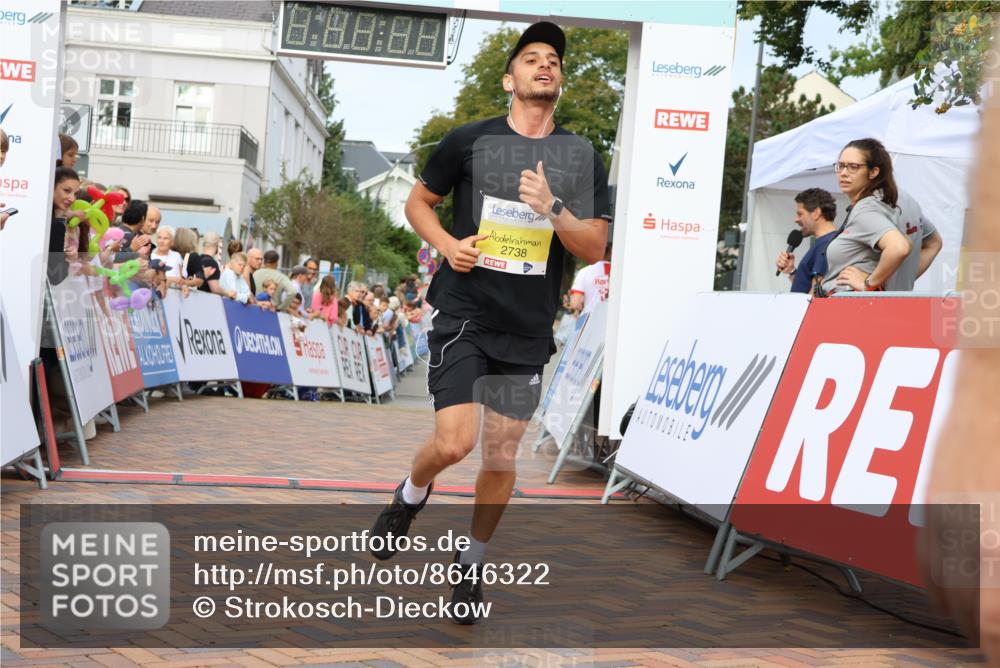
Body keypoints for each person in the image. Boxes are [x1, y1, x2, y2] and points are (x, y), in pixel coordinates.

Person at [368, 21, 610, 624]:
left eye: (553, 60)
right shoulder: (469, 140)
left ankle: (470, 564)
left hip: (526, 329)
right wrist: (448, 245)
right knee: (456, 443)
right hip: (466, 314)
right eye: (531, 58)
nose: (545, 65)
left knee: (500, 460)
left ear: (560, 79)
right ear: (509, 79)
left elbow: (594, 247)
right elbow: (418, 202)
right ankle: (409, 496)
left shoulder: (580, 156)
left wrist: (552, 208)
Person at [819, 138, 910, 295]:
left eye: (853, 167)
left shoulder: (866, 210)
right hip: (855, 300)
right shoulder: (885, 205)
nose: (843, 173)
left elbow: (899, 247)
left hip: (850, 302)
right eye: (841, 166)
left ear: (873, 172)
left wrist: (869, 283)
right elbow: (930, 243)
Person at [775, 188, 839, 295]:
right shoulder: (825, 242)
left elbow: (815, 293)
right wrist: (791, 271)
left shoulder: (826, 244)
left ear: (816, 213)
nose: (796, 219)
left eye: (800, 214)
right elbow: (805, 290)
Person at [883, 190, 944, 291]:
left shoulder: (870, 206)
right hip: (894, 296)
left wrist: (870, 283)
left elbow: (900, 248)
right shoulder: (906, 199)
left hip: (873, 297)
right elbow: (934, 243)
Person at [569, 226, 612, 314]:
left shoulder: (584, 272)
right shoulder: (618, 272)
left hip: (590, 318)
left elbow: (575, 304)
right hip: (613, 319)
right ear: (610, 252)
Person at [173, 227, 205, 292]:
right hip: (182, 293)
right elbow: (199, 280)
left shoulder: (168, 253)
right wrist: (185, 282)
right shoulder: (193, 256)